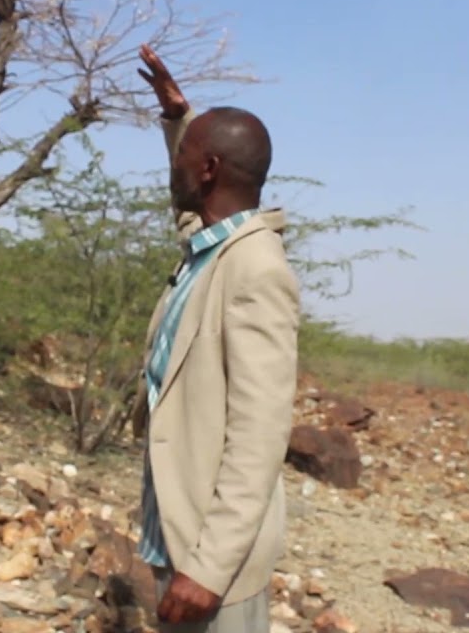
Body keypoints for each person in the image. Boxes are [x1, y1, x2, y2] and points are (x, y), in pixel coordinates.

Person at [130, 44, 301, 632]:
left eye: (185, 157)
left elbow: (260, 433)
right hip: (177, 531)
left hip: (211, 561)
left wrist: (208, 569)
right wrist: (179, 121)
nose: (175, 167)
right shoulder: (210, 248)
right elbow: (188, 213)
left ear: (207, 171)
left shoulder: (255, 268)